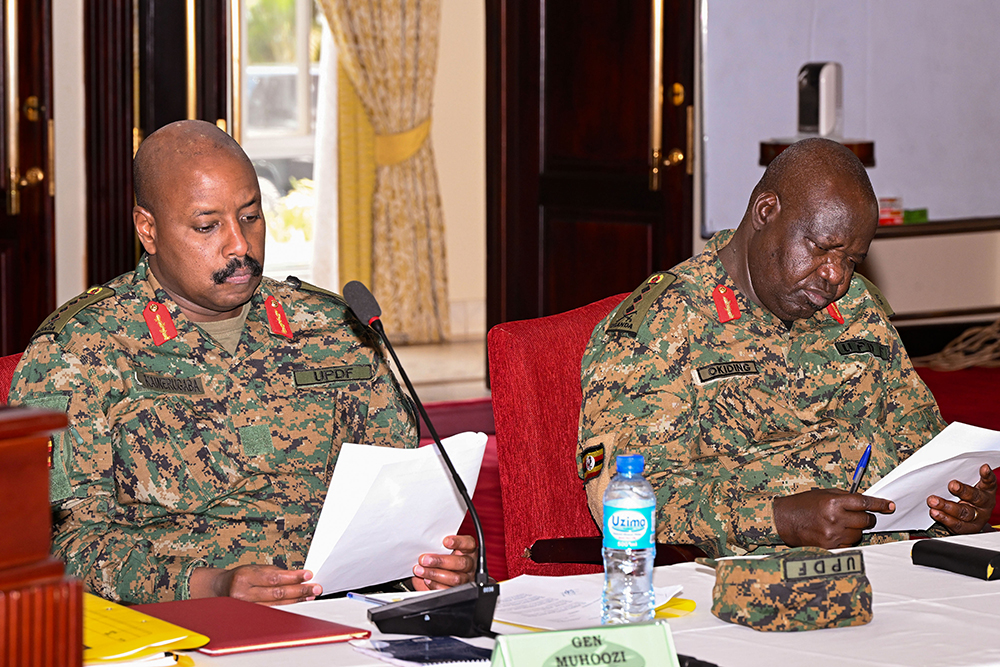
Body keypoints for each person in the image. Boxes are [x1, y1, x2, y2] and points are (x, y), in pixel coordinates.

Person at [9, 120, 476, 604]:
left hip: (343, 614)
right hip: (183, 627)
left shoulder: (336, 329)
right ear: (147, 229)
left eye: (251, 217)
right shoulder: (80, 350)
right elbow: (56, 547)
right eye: (207, 226)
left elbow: (395, 496)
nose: (239, 246)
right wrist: (211, 586)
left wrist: (423, 563)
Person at [577, 137, 997, 559]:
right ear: (765, 212)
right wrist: (776, 519)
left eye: (851, 260)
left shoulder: (856, 308)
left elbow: (923, 444)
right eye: (822, 248)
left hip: (899, 569)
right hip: (755, 583)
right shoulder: (663, 323)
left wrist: (956, 505)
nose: (835, 276)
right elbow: (625, 501)